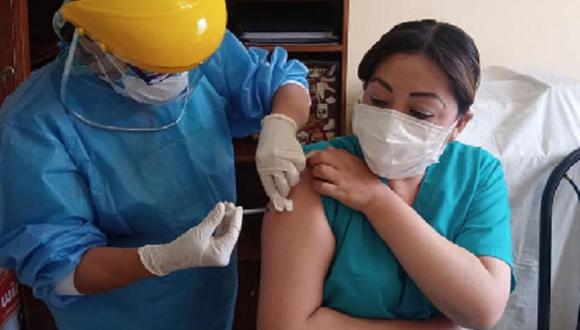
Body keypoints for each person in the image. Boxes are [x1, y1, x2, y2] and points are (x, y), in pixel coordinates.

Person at [0, 0, 310, 329]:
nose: (178, 80)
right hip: (120, 314)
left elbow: (283, 80)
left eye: (186, 67)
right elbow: (59, 268)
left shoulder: (187, 41)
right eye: (155, 70)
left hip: (211, 300)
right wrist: (160, 260)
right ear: (90, 44)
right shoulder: (33, 125)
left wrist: (281, 123)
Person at [258, 19, 515, 330]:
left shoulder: (477, 175)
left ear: (459, 125)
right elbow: (283, 326)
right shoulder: (316, 172)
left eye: (419, 113)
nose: (392, 122)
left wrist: (377, 201)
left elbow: (483, 310)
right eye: (378, 101)